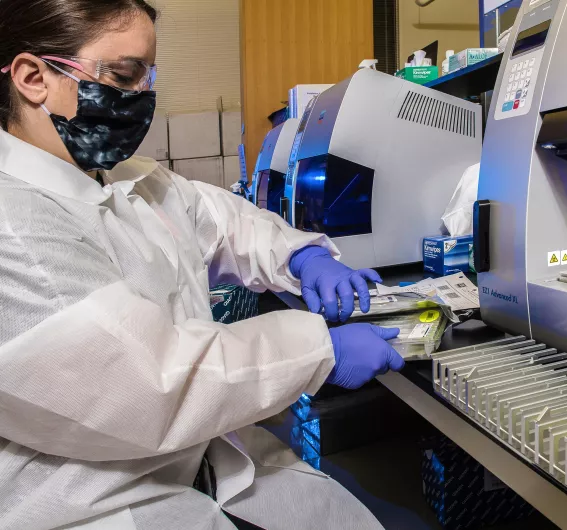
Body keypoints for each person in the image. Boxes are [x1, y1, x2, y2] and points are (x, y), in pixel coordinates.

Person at [0, 1, 405, 528]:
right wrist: (318, 350)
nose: (142, 97)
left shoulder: (123, 178)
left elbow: (223, 220)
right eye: (124, 75)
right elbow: (146, 382)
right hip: (93, 500)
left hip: (194, 460)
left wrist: (300, 255)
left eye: (148, 76)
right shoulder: (15, 223)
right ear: (34, 77)